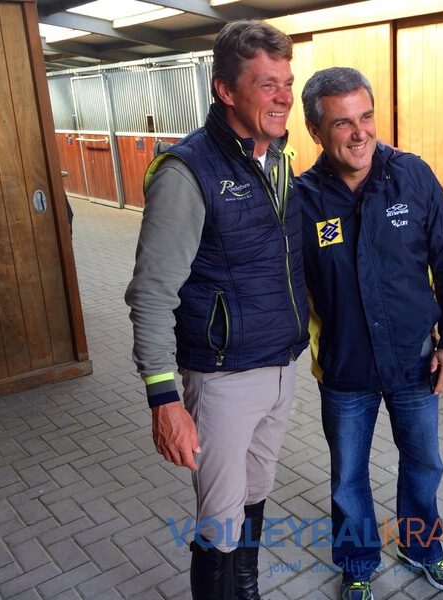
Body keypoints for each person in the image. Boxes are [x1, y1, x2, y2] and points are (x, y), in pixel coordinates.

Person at [124, 20, 308, 600]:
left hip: (280, 364)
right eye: (266, 84)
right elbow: (151, 294)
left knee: (255, 493)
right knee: (220, 518)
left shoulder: (278, 159)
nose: (283, 97)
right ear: (225, 90)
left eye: (287, 83)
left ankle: (245, 590)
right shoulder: (187, 172)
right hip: (224, 377)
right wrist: (164, 400)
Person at [296, 67, 443, 600]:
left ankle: (421, 547)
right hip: (345, 367)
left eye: (366, 117)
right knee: (348, 475)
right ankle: (356, 561)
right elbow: (287, 288)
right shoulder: (302, 200)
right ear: (316, 131)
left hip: (416, 360)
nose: (360, 133)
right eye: (342, 122)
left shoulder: (411, 175)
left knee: (424, 463)